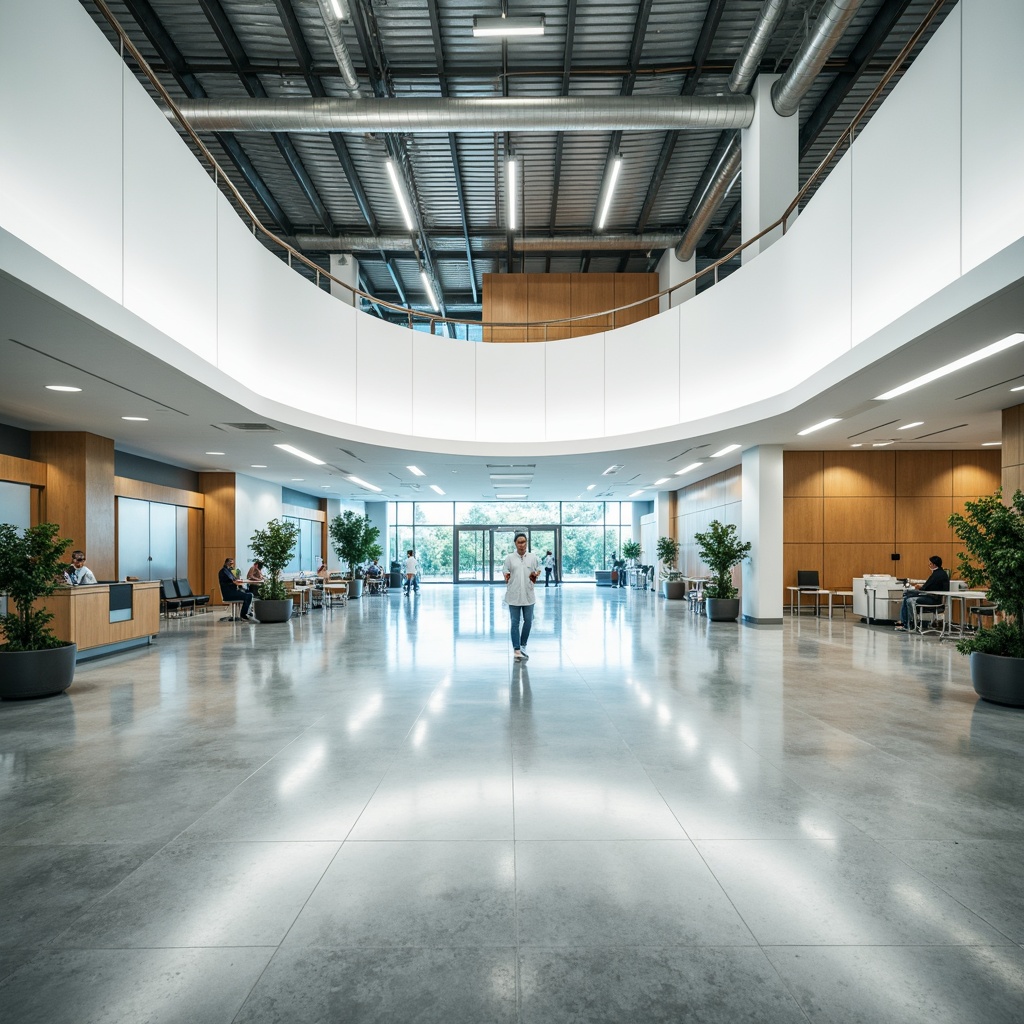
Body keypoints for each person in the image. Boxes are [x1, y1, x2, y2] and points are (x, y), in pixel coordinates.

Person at [503, 532, 540, 660]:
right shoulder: (509, 558)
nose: (522, 545)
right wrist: (507, 576)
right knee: (514, 622)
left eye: (524, 542)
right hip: (514, 595)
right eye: (519, 542)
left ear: (527, 543)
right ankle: (517, 649)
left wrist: (535, 575)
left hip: (529, 594)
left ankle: (523, 645)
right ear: (515, 543)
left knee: (528, 621)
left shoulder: (532, 557)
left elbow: (537, 570)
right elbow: (505, 572)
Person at [896, 555, 950, 631]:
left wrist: (919, 587)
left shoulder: (937, 574)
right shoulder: (941, 573)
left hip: (934, 599)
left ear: (934, 565)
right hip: (934, 597)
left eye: (930, 564)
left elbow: (926, 588)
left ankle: (909, 623)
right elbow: (931, 586)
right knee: (906, 597)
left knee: (909, 599)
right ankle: (906, 623)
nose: (929, 565)